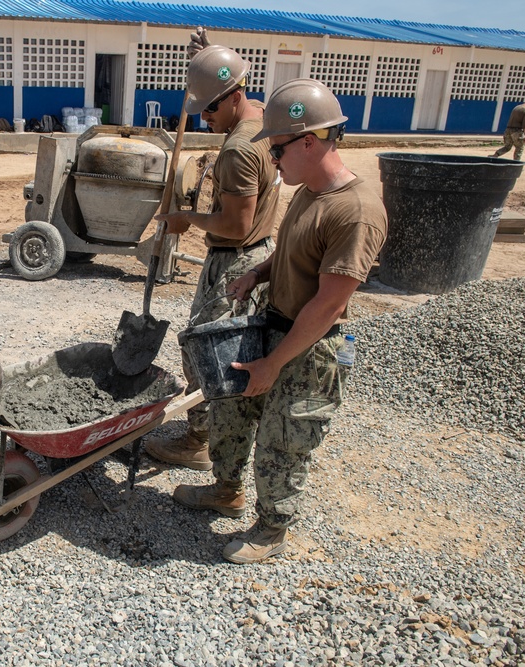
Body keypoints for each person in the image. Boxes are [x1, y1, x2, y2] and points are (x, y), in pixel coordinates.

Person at [209, 78, 387, 564]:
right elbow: (295, 252)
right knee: (233, 410)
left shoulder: (356, 212)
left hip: (310, 345)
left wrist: (273, 364)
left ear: (310, 141)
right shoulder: (309, 191)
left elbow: (329, 304)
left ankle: (271, 530)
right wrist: (257, 274)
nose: (272, 159)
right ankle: (225, 490)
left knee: (282, 441)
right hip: (274, 323)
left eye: (279, 149)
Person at [145, 43, 280, 480]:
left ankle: (206, 448)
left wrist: (187, 218)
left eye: (210, 109)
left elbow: (237, 223)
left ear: (235, 95)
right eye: (200, 109)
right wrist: (207, 60)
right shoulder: (261, 118)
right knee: (213, 352)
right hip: (252, 254)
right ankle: (207, 437)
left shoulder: (238, 150)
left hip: (236, 260)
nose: (205, 118)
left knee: (209, 358)